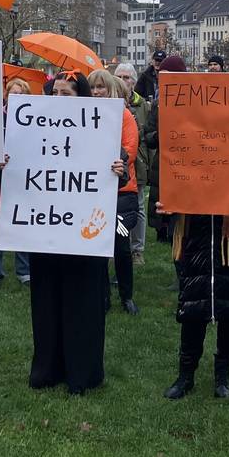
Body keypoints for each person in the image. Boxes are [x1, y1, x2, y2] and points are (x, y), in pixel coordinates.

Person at [28, 71, 126, 394]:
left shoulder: (103, 132)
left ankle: (81, 373)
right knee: (46, 301)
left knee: (81, 304)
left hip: (83, 236)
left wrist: (118, 171)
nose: (58, 99)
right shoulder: (33, 130)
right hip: (47, 231)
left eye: (66, 93)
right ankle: (47, 369)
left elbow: (119, 175)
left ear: (80, 98)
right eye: (54, 93)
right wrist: (9, 166)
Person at [159, 157, 229, 400]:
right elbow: (172, 178)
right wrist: (166, 204)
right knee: (192, 308)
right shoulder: (188, 136)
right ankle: (185, 375)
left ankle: (223, 375)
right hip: (196, 237)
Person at [89, 69, 139, 315]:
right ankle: (103, 296)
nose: (97, 92)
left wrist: (110, 160)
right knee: (95, 246)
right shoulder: (82, 116)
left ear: (110, 90)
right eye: (93, 87)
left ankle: (126, 296)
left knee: (120, 246)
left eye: (101, 87)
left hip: (122, 192)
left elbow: (129, 150)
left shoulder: (123, 116)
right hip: (92, 191)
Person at [0, 77, 31, 287]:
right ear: (6, 95)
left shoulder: (34, 120)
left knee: (23, 225)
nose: (15, 97)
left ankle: (25, 270)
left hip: (25, 181)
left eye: (20, 93)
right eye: (12, 93)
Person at [144, 55, 187, 243]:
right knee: (161, 194)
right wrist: (160, 135)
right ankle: (162, 229)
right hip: (163, 161)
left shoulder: (192, 104)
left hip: (186, 162)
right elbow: (148, 135)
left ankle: (179, 226)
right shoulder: (157, 104)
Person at [114, 62, 150, 265]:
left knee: (138, 207)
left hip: (139, 163)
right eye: (119, 76)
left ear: (134, 82)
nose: (123, 80)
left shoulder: (142, 105)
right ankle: (119, 245)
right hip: (119, 165)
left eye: (127, 77)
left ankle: (137, 249)